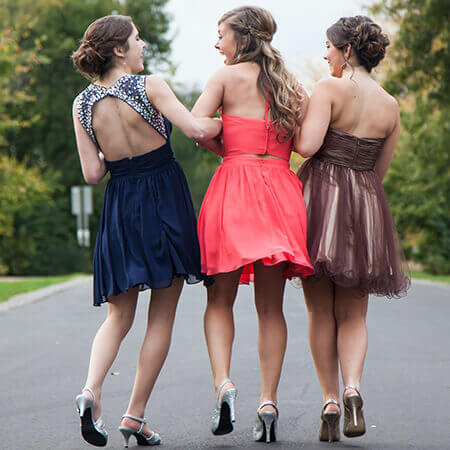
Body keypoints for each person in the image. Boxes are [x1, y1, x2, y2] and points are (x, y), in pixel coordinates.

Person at [71, 15, 221, 447]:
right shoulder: (150, 86)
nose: (143, 45)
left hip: (121, 206)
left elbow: (93, 173)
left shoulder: (82, 104)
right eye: (137, 39)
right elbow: (194, 129)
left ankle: (89, 391)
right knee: (162, 315)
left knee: (118, 316)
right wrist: (244, 128)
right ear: (119, 49)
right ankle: (134, 415)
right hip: (163, 203)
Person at [192, 6, 313, 443]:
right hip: (281, 191)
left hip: (233, 189)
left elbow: (197, 127)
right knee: (271, 308)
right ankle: (268, 401)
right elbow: (303, 144)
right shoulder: (291, 85)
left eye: (220, 35)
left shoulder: (223, 79)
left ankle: (225, 384)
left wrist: (229, 149)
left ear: (240, 38)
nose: (216, 43)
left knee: (219, 301)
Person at [295, 16, 410, 443]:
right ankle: (352, 389)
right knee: (355, 312)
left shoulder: (328, 89)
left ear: (346, 50)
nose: (325, 54)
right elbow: (379, 170)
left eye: (328, 46)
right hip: (364, 207)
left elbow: (306, 146)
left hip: (320, 201)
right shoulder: (391, 105)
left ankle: (327, 399)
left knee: (318, 309)